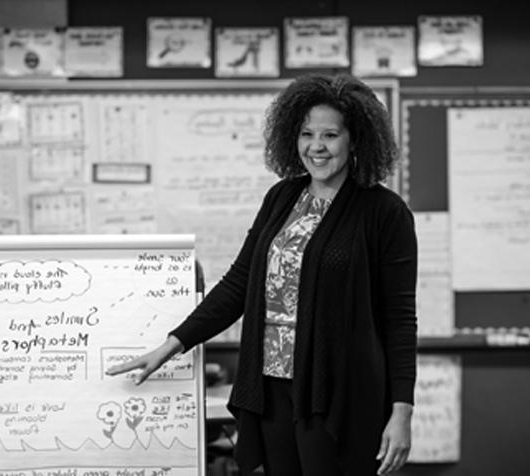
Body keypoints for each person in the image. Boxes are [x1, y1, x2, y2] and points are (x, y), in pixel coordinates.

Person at [107, 73, 418, 475]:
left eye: (330, 135)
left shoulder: (384, 212)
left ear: (355, 139)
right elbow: (240, 283)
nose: (316, 147)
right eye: (306, 134)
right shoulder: (283, 197)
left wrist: (402, 411)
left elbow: (399, 320)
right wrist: (172, 344)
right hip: (271, 388)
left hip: (340, 394)